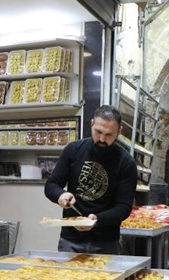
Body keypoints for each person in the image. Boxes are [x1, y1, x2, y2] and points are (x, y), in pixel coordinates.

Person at [44, 105, 137, 255]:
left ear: (119, 132)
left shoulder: (126, 162)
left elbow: (124, 207)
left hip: (106, 242)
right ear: (92, 123)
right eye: (98, 132)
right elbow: (51, 185)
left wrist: (97, 220)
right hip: (71, 240)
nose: (102, 139)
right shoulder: (73, 150)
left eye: (109, 135)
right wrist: (60, 196)